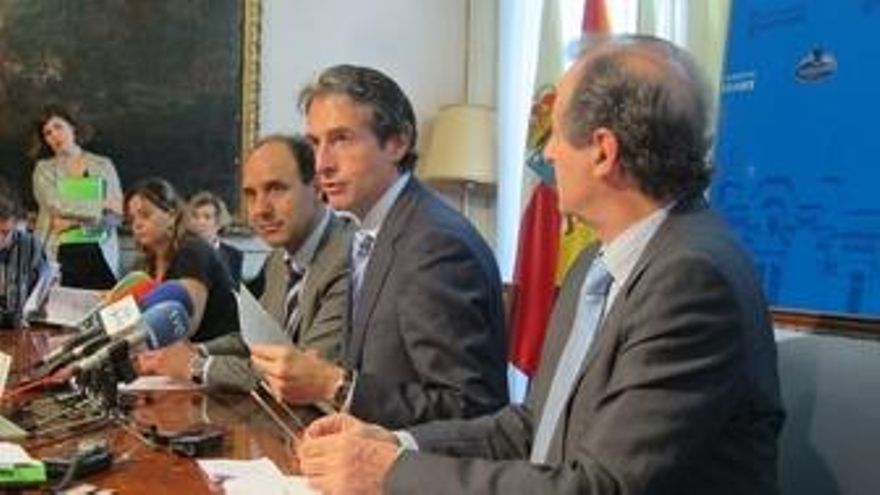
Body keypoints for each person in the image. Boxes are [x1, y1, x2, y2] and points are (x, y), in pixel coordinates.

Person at [296, 35, 785, 495]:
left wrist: (390, 472)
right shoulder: (594, 265)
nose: (547, 152)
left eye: (555, 135)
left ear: (603, 151)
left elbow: (599, 486)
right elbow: (533, 427)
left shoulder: (692, 279)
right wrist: (399, 444)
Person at [251, 64, 508, 429]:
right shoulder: (367, 231)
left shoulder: (435, 244)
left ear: (398, 143)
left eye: (341, 139)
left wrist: (335, 385)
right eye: (315, 143)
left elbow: (470, 409)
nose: (321, 165)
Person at [138, 135, 350, 392]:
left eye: (276, 189)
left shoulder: (348, 258)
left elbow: (299, 375)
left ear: (317, 188)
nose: (260, 209)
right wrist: (198, 350)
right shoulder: (277, 260)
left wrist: (196, 366)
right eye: (250, 194)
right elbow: (258, 342)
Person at [124, 178, 239, 343]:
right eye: (132, 219)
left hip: (215, 351)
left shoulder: (193, 251)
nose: (137, 225)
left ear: (172, 215)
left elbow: (186, 327)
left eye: (145, 215)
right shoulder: (143, 263)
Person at [31, 104, 122, 290]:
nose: (54, 135)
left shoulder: (103, 164)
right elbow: (56, 204)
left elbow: (116, 213)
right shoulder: (43, 169)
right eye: (47, 133)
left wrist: (73, 223)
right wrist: (100, 206)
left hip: (101, 254)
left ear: (72, 127)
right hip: (58, 253)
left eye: (58, 127)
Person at [0, 180, 48, 329]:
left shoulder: (31, 245)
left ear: (15, 224)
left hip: (20, 332)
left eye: (5, 232)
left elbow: (43, 298)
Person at [187, 190, 244, 286]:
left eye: (207, 217)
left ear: (219, 222)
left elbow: (234, 291)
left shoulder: (234, 255)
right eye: (196, 216)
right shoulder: (182, 252)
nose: (200, 222)